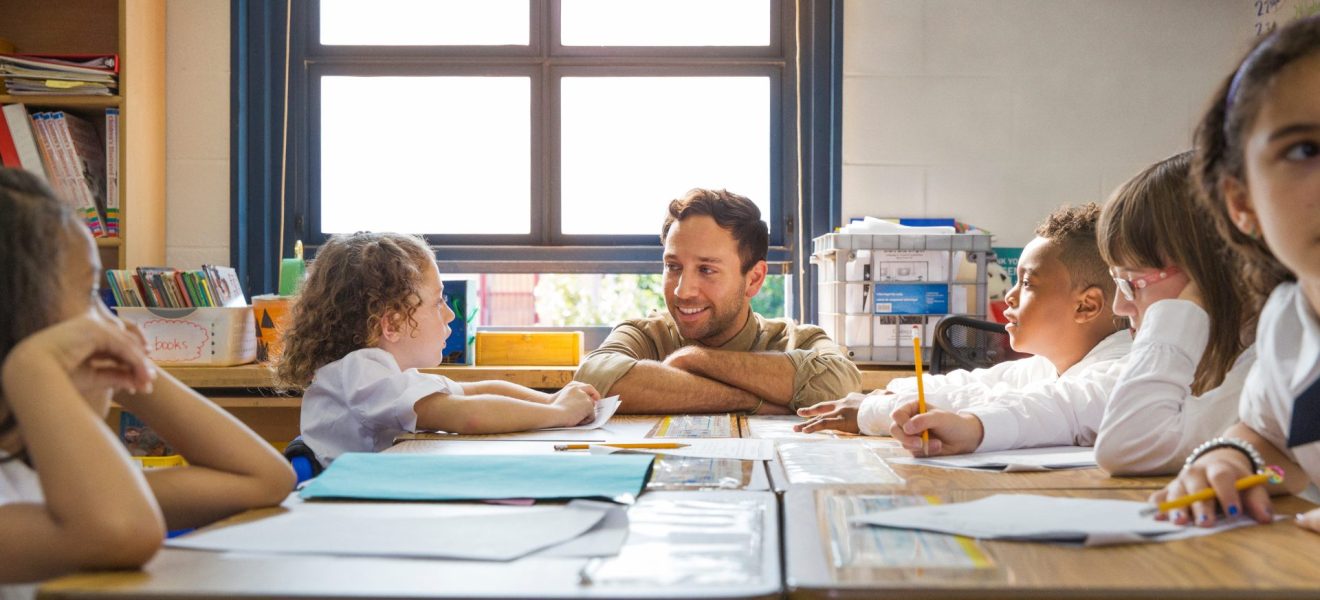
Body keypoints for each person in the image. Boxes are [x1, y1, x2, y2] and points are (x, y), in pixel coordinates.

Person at [0, 168, 294, 597]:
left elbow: (265, 478)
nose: (113, 325)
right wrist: (33, 367)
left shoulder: (49, 478)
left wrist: (138, 375)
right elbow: (120, 532)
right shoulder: (69, 500)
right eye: (89, 297)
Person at [1154, 16, 1320, 530]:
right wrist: (1232, 460)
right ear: (1241, 200)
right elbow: (1274, 443)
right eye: (1305, 150)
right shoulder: (1289, 322)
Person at [796, 204, 1132, 447]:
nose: (1011, 296)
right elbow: (979, 387)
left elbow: (1045, 408)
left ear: (1086, 305)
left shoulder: (1126, 371)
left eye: (1028, 284)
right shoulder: (1047, 366)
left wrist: (874, 410)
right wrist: (894, 394)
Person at [277, 232, 599, 466]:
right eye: (438, 301)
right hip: (350, 516)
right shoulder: (362, 371)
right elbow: (469, 416)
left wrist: (554, 399)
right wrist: (559, 413)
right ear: (391, 323)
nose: (450, 314)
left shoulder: (385, 374)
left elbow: (477, 391)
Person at [574, 188, 861, 415]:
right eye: (673, 267)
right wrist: (750, 401)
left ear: (754, 278)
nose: (683, 292)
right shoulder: (644, 335)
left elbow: (841, 383)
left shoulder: (795, 340)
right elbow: (594, 378)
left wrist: (695, 359)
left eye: (707, 270)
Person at [1091, 151, 1257, 476]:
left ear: (1207, 271)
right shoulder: (1218, 354)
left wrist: (1180, 313)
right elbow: (1084, 399)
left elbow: (1129, 446)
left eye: (1132, 283)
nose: (1119, 308)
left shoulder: (1265, 362)